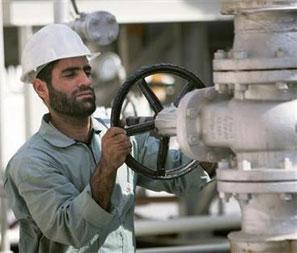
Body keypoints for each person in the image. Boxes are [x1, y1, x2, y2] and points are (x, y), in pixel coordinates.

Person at [4, 24, 211, 253]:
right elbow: (72, 230)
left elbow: (180, 176)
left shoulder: (120, 136)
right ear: (41, 89)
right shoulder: (31, 162)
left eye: (86, 71)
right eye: (70, 74)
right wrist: (107, 166)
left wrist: (214, 141)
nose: (84, 81)